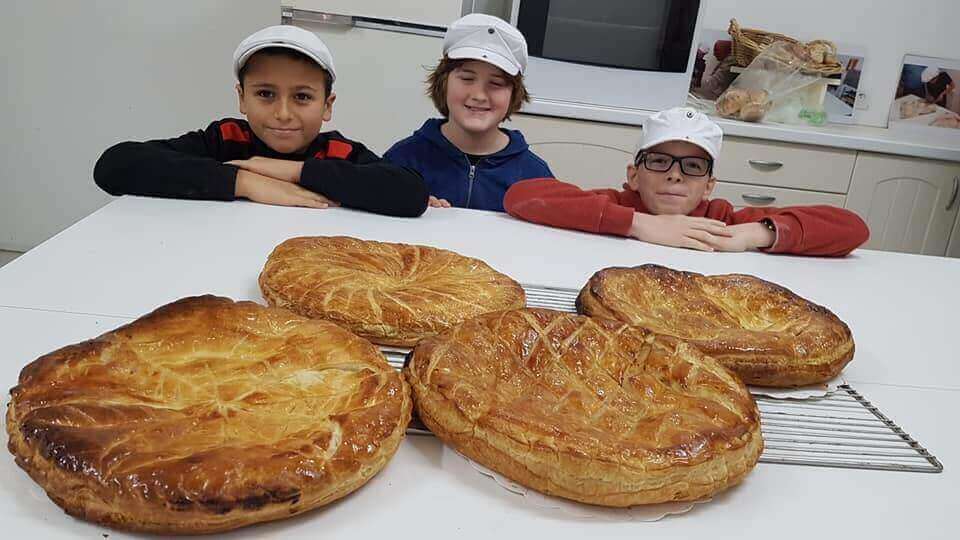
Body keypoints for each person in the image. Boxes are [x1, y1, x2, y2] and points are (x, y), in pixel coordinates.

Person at [94, 25, 428, 217]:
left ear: (327, 105)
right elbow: (115, 165)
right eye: (266, 94)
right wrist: (244, 182)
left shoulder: (339, 152)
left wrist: (295, 172)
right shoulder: (223, 140)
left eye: (302, 97)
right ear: (242, 97)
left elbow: (410, 193)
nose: (283, 113)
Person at [504, 107, 869, 256]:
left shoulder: (721, 221)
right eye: (660, 161)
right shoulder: (617, 205)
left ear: (709, 185)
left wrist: (755, 234)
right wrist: (638, 224)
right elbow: (522, 195)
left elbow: (852, 228)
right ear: (634, 175)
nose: (675, 174)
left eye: (692, 166)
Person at [383, 14, 552, 211]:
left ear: (514, 94)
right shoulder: (403, 160)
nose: (479, 95)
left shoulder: (535, 176)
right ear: (443, 82)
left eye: (496, 83)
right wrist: (407, 204)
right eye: (467, 78)